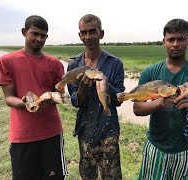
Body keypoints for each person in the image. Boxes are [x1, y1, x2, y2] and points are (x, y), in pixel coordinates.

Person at [133, 18, 188, 180]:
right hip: (156, 147)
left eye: (180, 39)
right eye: (171, 39)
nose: (175, 44)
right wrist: (159, 103)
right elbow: (137, 109)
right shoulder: (150, 72)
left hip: (187, 149)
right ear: (164, 42)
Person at [0, 15, 69, 180]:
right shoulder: (7, 61)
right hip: (22, 134)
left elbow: (60, 93)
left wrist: (54, 97)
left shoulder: (55, 64)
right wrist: (24, 103)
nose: (39, 39)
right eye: (34, 34)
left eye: (43, 35)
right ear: (24, 32)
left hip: (51, 132)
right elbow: (9, 98)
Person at [66, 14, 125, 179]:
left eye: (92, 31)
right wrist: (82, 89)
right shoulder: (74, 66)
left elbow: (119, 99)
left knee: (112, 177)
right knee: (87, 176)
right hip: (85, 130)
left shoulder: (115, 63)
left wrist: (103, 82)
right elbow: (76, 102)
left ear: (101, 33)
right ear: (79, 35)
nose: (88, 37)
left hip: (109, 130)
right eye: (83, 33)